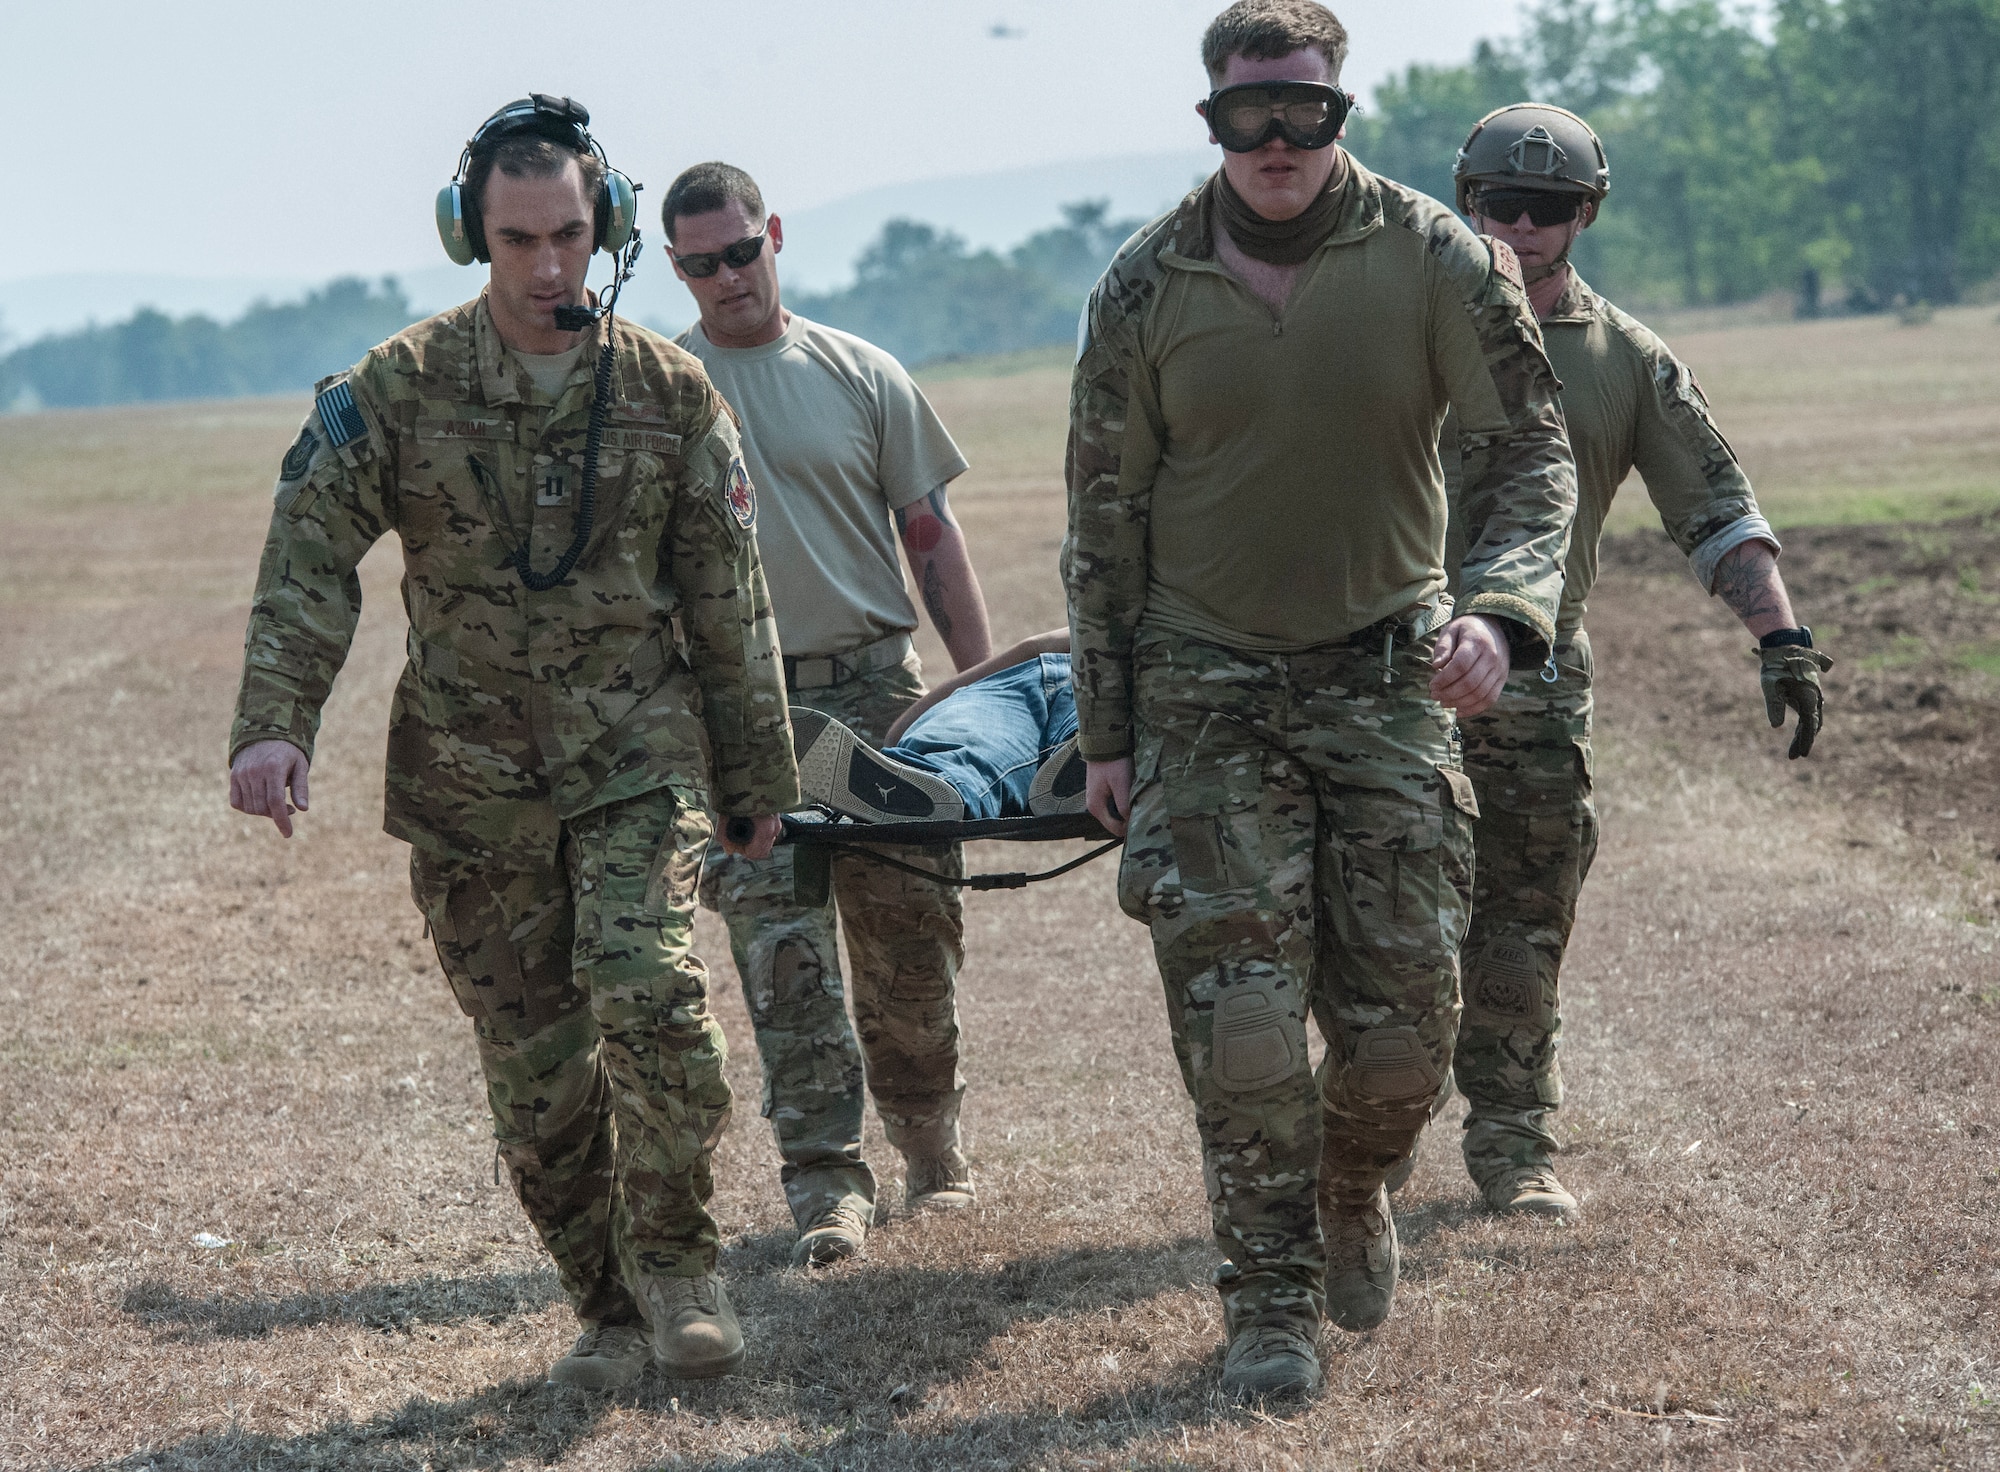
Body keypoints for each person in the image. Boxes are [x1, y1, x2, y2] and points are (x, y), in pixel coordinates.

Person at [227, 96, 798, 1392]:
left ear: (609, 230)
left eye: (571, 235)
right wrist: (273, 725)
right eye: (519, 238)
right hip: (471, 792)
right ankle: (605, 1309)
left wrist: (759, 780)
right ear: (468, 237)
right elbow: (309, 551)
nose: (550, 265)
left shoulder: (666, 395)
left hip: (634, 767)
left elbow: (731, 602)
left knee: (652, 997)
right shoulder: (403, 388)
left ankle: (684, 1265)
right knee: (539, 1082)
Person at [1066, 0, 1578, 1401]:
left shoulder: (1433, 258)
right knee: (1241, 1032)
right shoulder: (1143, 285)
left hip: (1387, 676)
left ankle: (1361, 1182)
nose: (1278, 139)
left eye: (1305, 111)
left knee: (1408, 1033)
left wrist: (1501, 611)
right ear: (1213, 118)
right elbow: (1102, 519)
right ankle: (1271, 1302)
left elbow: (1532, 456)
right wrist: (1108, 734)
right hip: (1203, 687)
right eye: (1249, 114)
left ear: (1339, 109)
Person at [1418, 103, 1831, 1221]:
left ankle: (1510, 1144)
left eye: (1547, 208)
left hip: (1537, 683)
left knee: (1520, 920)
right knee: (1377, 924)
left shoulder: (1624, 360)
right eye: (1498, 202)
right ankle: (1354, 1131)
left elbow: (1715, 508)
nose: (1518, 225)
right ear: (1464, 202)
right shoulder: (1403, 329)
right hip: (1384, 677)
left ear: (1585, 214)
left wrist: (1780, 637)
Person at [663, 163, 997, 1266]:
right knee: (781, 954)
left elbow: (929, 536)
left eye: (741, 250)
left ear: (774, 237)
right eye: (701, 262)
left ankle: (931, 1149)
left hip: (876, 691)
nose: (727, 277)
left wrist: (984, 692)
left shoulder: (860, 371)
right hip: (742, 706)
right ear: (676, 268)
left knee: (909, 938)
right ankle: (825, 1186)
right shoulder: (663, 390)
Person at [789, 629, 1084, 823]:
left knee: (1091, 720)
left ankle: (1092, 756)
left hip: (1105, 674)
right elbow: (1034, 647)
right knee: (960, 754)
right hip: (1029, 674)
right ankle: (921, 777)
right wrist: (909, 727)